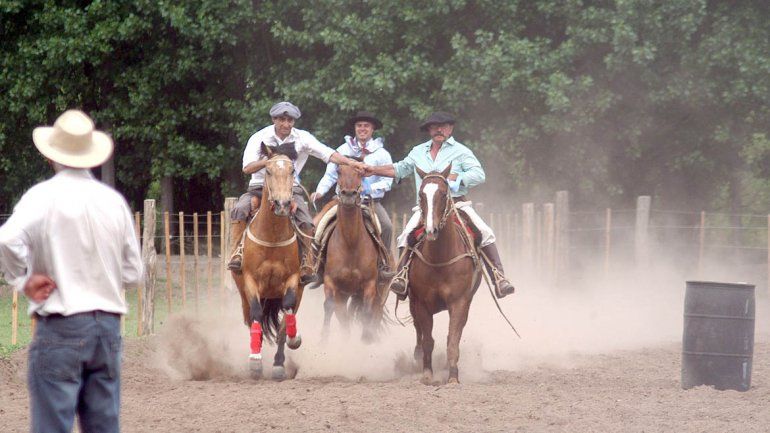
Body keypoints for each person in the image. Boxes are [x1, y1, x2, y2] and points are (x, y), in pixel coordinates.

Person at [0, 109, 143, 433]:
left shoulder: (42, 197)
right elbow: (134, 273)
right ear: (90, 156)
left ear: (52, 156)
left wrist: (23, 280)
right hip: (107, 328)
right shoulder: (113, 201)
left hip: (61, 326)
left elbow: (6, 240)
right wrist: (99, 275)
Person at [363, 111, 515, 299]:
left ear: (450, 129)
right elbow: (400, 168)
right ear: (429, 130)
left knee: (485, 232)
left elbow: (479, 174)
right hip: (425, 207)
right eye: (434, 126)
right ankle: (401, 277)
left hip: (456, 205)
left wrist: (457, 178)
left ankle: (499, 278)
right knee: (404, 236)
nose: (439, 129)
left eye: (443, 126)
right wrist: (373, 170)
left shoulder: (461, 151)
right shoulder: (418, 151)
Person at [227, 101, 365, 284]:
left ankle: (307, 262)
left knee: (307, 221)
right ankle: (236, 253)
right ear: (274, 119)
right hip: (261, 187)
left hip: (290, 189)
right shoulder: (259, 137)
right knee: (239, 210)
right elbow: (246, 168)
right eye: (282, 119)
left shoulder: (302, 138)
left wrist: (350, 162)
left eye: (290, 120)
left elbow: (328, 154)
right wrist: (270, 162)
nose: (286, 124)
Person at [310, 111, 395, 278]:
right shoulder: (342, 150)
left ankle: (382, 265)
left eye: (366, 126)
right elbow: (330, 175)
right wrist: (320, 191)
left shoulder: (381, 153)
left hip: (370, 202)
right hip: (341, 201)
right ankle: (317, 265)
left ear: (372, 130)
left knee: (386, 226)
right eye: (359, 126)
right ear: (355, 128)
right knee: (318, 224)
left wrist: (370, 189)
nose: (362, 129)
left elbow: (387, 181)